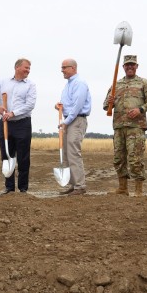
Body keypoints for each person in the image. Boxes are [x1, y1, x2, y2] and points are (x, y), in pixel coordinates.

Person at [102, 55, 147, 197]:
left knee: (135, 159)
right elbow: (105, 106)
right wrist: (110, 101)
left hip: (136, 127)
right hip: (119, 126)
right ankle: (122, 188)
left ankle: (138, 190)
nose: (130, 67)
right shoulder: (116, 84)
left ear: (137, 66)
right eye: (127, 65)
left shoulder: (143, 83)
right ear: (123, 67)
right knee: (118, 158)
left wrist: (140, 109)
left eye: (132, 65)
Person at [0, 58, 37, 195]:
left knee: (23, 157)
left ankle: (23, 188)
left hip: (22, 124)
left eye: (29, 68)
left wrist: (13, 113)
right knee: (7, 154)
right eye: (26, 67)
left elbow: (30, 105)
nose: (28, 70)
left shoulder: (30, 85)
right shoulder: (3, 82)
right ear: (17, 68)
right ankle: (9, 188)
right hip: (5, 124)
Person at [57, 59, 91, 196]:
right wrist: (60, 107)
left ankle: (80, 186)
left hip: (76, 120)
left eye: (64, 67)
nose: (62, 70)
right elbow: (69, 104)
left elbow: (77, 105)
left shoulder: (79, 83)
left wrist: (67, 121)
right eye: (62, 67)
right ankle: (73, 184)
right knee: (66, 153)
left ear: (73, 68)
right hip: (69, 120)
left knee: (73, 152)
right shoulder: (68, 85)